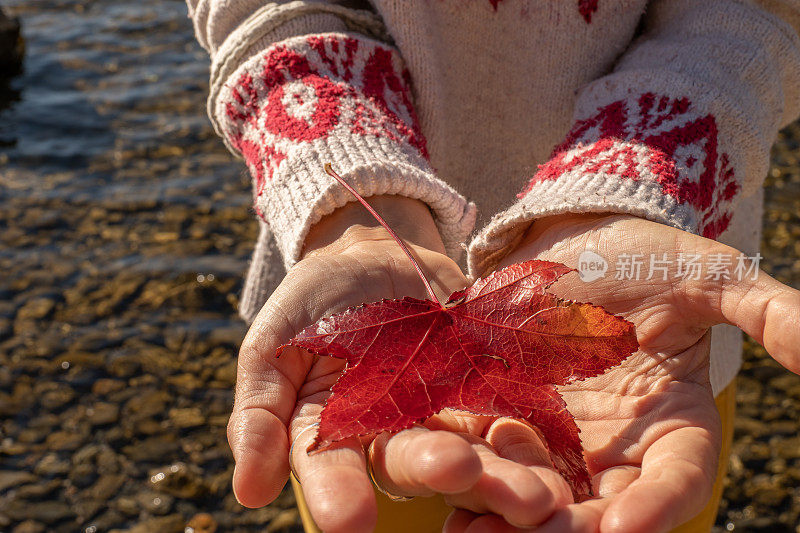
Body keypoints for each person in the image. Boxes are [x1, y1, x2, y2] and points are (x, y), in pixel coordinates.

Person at [187, 0, 800, 531]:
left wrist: (626, 184)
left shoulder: (649, 350)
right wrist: (348, 211)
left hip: (654, 339)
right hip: (340, 248)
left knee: (634, 509)